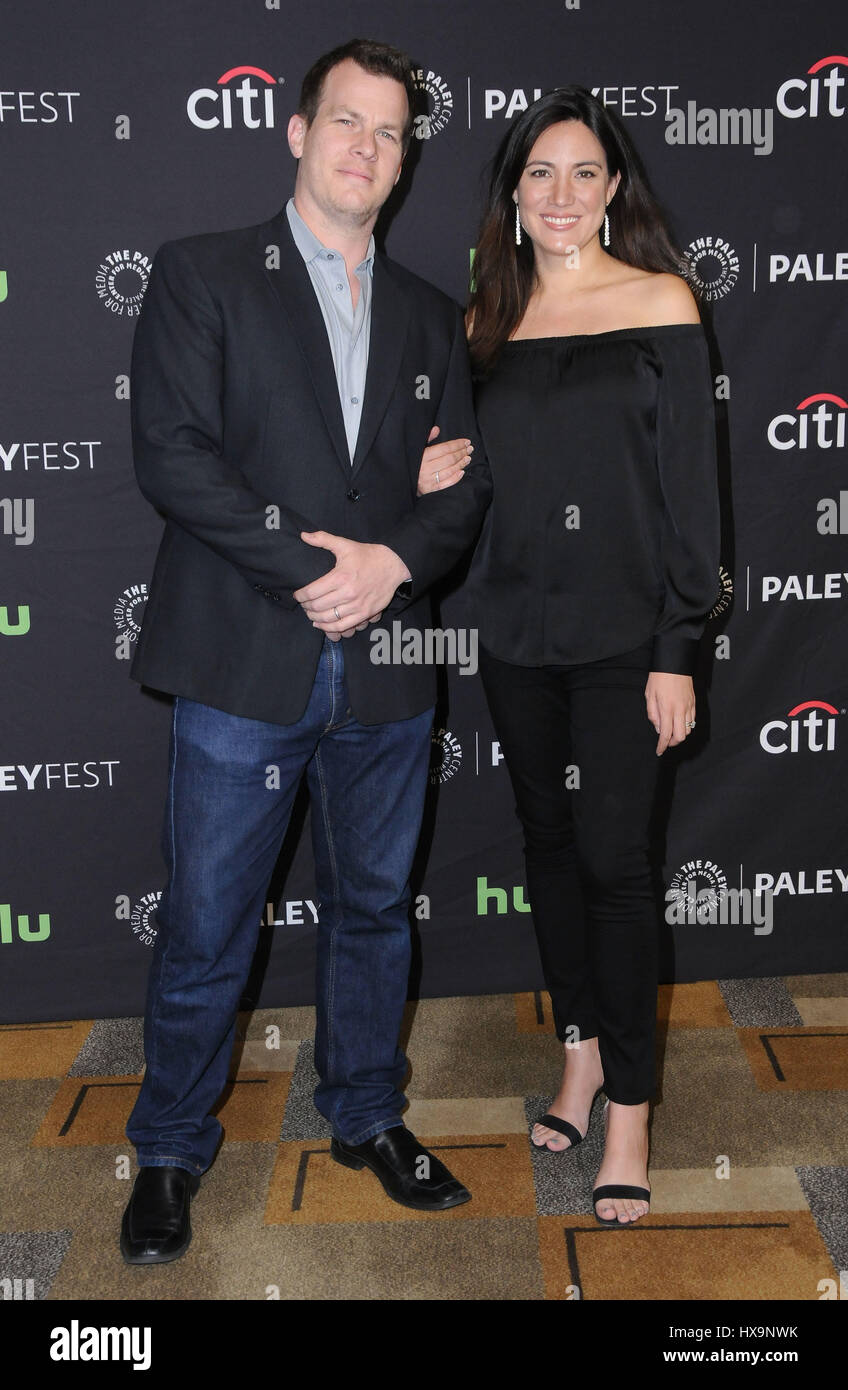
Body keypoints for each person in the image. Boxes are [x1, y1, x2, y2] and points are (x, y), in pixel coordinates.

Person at [120, 38, 492, 1265]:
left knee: (376, 909)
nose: (365, 148)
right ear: (296, 130)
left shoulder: (438, 317)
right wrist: (321, 565)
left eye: (390, 134)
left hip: (385, 667)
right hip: (243, 661)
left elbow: (457, 491)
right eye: (346, 122)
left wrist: (392, 564)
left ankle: (367, 1115)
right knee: (210, 921)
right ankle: (170, 1146)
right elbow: (174, 457)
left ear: (403, 160)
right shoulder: (202, 275)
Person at [419, 87, 720, 1226]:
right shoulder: (479, 327)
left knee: (615, 862)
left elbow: (691, 502)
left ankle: (631, 1105)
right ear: (509, 192)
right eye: (536, 173)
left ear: (614, 188)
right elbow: (472, 478)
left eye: (582, 172)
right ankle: (581, 1056)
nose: (559, 194)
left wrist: (675, 646)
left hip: (626, 643)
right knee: (547, 842)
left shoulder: (659, 302)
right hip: (513, 634)